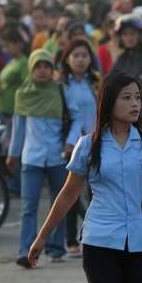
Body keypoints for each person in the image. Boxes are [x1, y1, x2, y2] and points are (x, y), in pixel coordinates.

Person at [27, 71, 142, 283]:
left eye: (137, 97)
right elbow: (68, 193)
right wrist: (43, 236)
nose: (135, 103)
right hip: (100, 239)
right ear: (109, 101)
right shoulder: (87, 145)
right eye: (126, 98)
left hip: (139, 239)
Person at [6, 49, 81, 268]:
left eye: (47, 66)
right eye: (38, 66)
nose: (42, 71)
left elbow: (76, 118)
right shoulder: (23, 94)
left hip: (58, 157)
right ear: (31, 68)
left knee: (58, 204)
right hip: (31, 158)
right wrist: (12, 155)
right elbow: (18, 129)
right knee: (29, 206)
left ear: (52, 69)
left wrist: (71, 141)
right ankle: (26, 251)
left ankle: (55, 248)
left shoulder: (60, 90)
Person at [59, 38, 101, 258]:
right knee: (71, 192)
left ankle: (93, 237)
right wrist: (69, 141)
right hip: (72, 144)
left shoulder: (94, 81)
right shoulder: (61, 84)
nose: (80, 59)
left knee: (96, 192)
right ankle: (70, 240)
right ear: (67, 58)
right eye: (76, 55)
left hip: (96, 141)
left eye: (84, 55)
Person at [0, 25, 29, 196]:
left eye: (8, 45)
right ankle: (12, 182)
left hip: (14, 112)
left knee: (15, 148)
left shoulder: (24, 63)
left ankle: (16, 184)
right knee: (9, 148)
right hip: (5, 111)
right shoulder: (12, 61)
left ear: (18, 44)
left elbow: (26, 85)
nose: (6, 49)